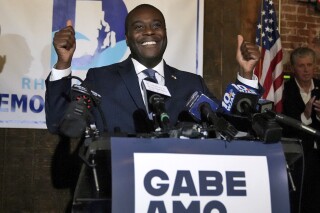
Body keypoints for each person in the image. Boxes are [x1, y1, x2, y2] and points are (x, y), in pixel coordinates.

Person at [45, 3, 261, 136]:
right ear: (127, 39)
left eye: (156, 25)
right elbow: (59, 123)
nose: (149, 32)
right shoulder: (101, 79)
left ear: (165, 33)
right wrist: (63, 63)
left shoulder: (191, 84)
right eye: (139, 27)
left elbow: (233, 129)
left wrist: (246, 75)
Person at [282, 47, 320, 213]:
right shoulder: (285, 90)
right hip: (299, 157)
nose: (306, 70)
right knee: (300, 202)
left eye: (309, 65)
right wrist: (306, 114)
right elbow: (286, 127)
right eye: (301, 65)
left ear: (315, 66)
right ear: (293, 68)